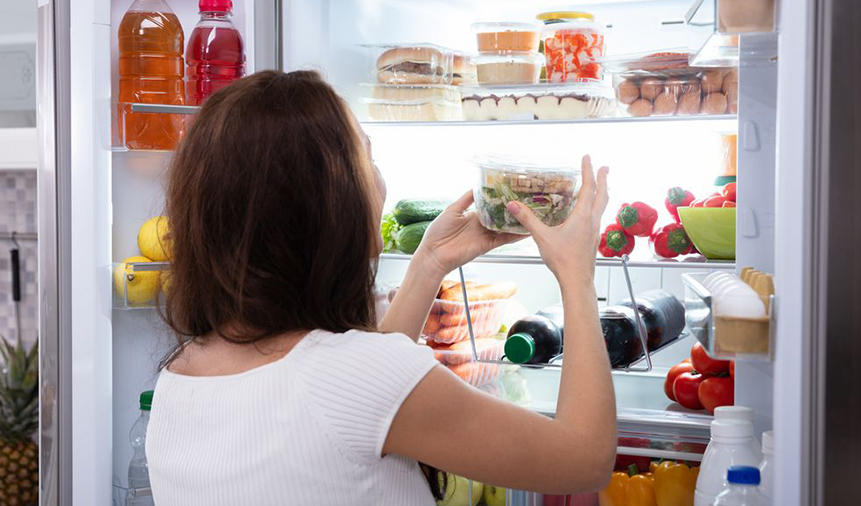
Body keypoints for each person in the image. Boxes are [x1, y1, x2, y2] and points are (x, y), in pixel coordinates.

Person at [146, 70, 616, 506]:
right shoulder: (353, 375)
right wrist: (577, 276)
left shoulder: (179, 375)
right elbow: (584, 460)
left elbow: (354, 408)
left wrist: (430, 264)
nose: (378, 177)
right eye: (367, 156)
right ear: (329, 203)